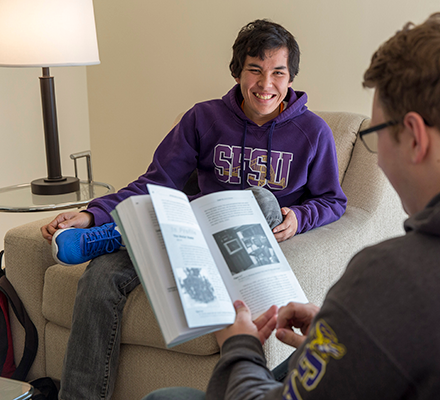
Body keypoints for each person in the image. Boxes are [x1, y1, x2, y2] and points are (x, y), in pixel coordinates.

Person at [143, 12, 440, 400]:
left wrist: (240, 346)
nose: (377, 155)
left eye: (375, 134)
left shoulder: (392, 279)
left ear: (415, 137)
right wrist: (357, 330)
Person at [43, 19, 347, 400]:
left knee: (261, 198)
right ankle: (112, 234)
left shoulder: (312, 131)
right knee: (100, 276)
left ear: (291, 77)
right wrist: (92, 213)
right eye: (255, 70)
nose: (266, 84)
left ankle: (122, 234)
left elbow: (333, 201)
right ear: (238, 71)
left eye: (278, 73)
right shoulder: (204, 118)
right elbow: (156, 182)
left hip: (247, 241)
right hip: (192, 236)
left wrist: (299, 217)